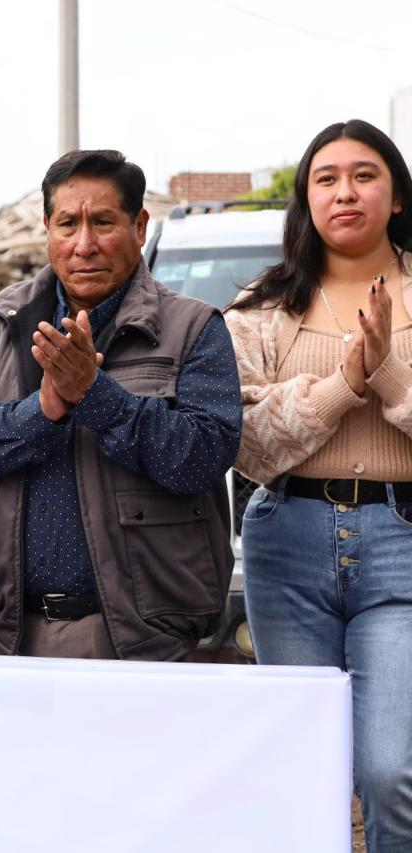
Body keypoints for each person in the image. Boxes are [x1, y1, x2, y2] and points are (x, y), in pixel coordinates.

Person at [0, 149, 242, 661]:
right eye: (68, 223)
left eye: (103, 222)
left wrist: (98, 398)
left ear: (140, 226)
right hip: (14, 635)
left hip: (146, 642)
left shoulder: (193, 329)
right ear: (47, 228)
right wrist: (42, 410)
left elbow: (204, 454)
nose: (84, 244)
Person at [224, 119, 412, 852]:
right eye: (326, 178)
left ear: (395, 195)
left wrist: (386, 372)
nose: (346, 191)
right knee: (301, 765)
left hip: (400, 541)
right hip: (287, 544)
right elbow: (251, 443)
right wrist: (344, 381)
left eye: (364, 174)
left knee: (391, 768)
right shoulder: (262, 305)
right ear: (306, 199)